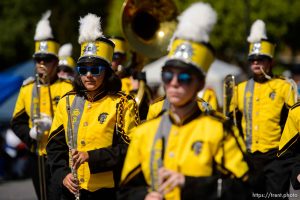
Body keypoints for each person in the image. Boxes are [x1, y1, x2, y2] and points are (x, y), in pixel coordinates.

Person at [119, 3, 249, 200]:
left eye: (185, 78)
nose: (174, 83)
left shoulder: (220, 130)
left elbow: (244, 188)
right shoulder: (143, 133)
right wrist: (144, 196)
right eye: (168, 74)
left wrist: (188, 184)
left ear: (200, 83)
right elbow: (125, 191)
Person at [46, 13, 139, 200]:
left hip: (109, 191)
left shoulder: (123, 103)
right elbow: (54, 147)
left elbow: (131, 148)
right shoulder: (67, 101)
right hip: (71, 189)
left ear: (107, 73)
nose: (89, 75)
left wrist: (92, 156)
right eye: (83, 69)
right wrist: (63, 174)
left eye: (95, 69)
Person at [11, 10, 73, 200]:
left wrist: (53, 123)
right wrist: (30, 134)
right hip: (37, 154)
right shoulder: (27, 88)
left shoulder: (66, 87)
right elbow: (17, 122)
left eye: (46, 59)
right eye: (38, 59)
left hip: (63, 156)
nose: (42, 64)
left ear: (55, 62)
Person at [231, 19, 296, 195]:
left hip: (276, 158)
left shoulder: (285, 86)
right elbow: (231, 122)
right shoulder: (239, 89)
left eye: (261, 59)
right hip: (249, 158)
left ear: (271, 61)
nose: (256, 63)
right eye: (253, 60)